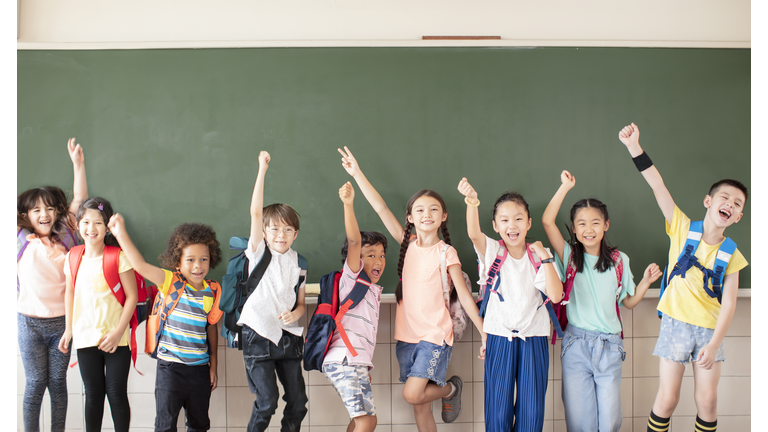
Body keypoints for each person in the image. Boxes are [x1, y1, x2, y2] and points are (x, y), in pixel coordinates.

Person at [339, 146, 485, 431]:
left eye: (433, 210)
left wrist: (484, 331)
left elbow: (465, 297)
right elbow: (380, 206)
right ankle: (446, 393)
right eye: (419, 210)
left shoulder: (447, 253)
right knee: (421, 409)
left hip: (434, 336)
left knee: (412, 394)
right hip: (407, 337)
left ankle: (451, 390)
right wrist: (356, 173)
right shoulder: (407, 245)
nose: (426, 214)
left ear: (443, 216)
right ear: (410, 218)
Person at [617, 123, 748, 432]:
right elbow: (657, 186)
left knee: (708, 401)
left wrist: (714, 345)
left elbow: (729, 305)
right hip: (675, 324)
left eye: (737, 204)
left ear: (739, 217)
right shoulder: (682, 228)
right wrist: (634, 146)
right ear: (708, 201)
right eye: (724, 198)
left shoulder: (733, 254)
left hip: (709, 332)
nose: (729, 204)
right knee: (668, 398)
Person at [541, 169, 660, 432]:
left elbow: (627, 303)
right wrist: (564, 187)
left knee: (609, 422)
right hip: (576, 345)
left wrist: (644, 284)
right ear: (573, 228)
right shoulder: (569, 256)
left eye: (595, 222)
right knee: (580, 422)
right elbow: (548, 221)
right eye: (581, 223)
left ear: (606, 225)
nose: (588, 229)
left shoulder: (619, 260)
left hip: (610, 345)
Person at [457, 178, 563, 432]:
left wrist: (547, 257)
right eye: (504, 220)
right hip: (498, 337)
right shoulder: (492, 250)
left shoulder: (539, 255)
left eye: (518, 219)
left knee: (532, 412)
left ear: (528, 223)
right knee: (498, 411)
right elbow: (473, 233)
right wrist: (472, 201)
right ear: (495, 226)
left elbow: (557, 296)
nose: (511, 225)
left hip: (534, 338)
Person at [107, 214, 223, 432]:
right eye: (190, 260)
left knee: (199, 425)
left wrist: (213, 367)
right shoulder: (169, 282)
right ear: (178, 261)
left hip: (199, 370)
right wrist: (120, 232)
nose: (198, 266)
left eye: (203, 259)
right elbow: (139, 265)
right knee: (165, 425)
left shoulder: (212, 291)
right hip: (170, 370)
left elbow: (211, 329)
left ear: (211, 259)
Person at [17, 137, 87, 432]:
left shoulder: (67, 234)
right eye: (36, 211)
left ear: (57, 212)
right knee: (35, 383)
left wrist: (78, 164)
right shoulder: (18, 237)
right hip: (28, 322)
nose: (43, 215)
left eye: (48, 209)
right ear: (26, 216)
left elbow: (80, 200)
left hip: (61, 322)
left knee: (57, 382)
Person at [239, 151, 308, 432]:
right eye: (275, 229)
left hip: (288, 337)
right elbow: (256, 212)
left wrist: (296, 314)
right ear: (265, 232)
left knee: (298, 402)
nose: (281, 234)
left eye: (288, 229)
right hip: (258, 333)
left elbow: (301, 303)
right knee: (267, 402)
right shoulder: (258, 253)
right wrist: (262, 169)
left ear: (296, 234)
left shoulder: (299, 262)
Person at [58, 197, 137, 432]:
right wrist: (69, 329)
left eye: (98, 223)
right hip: (85, 338)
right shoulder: (72, 256)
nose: (91, 229)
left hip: (116, 339)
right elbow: (69, 293)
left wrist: (118, 332)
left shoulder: (118, 256)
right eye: (85, 222)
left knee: (116, 394)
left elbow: (132, 297)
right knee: (92, 395)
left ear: (107, 227)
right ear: (77, 224)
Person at [322, 181, 388, 432]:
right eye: (370, 254)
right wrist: (348, 204)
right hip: (343, 361)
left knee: (364, 419)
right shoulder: (352, 277)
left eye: (382, 255)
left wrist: (363, 367)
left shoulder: (373, 290)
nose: (378, 260)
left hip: (355, 363)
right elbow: (353, 241)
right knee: (366, 421)